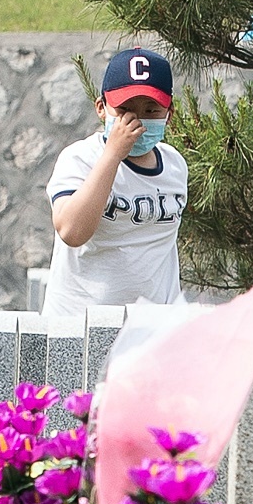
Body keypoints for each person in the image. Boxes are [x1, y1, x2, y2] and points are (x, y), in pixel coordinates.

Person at [42, 44, 186, 312]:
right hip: (81, 324)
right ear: (101, 108)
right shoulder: (80, 158)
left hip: (152, 327)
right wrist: (112, 156)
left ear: (169, 114)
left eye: (151, 110)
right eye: (125, 110)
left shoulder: (175, 165)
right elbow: (71, 231)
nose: (137, 122)